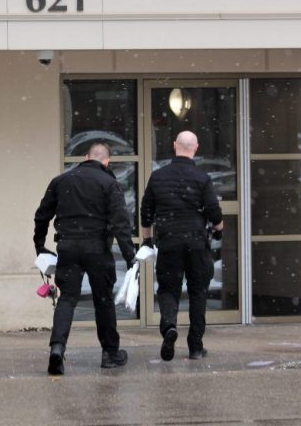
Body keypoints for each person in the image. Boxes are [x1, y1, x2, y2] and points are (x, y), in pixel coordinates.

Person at [34, 142, 136, 375]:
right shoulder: (109, 183)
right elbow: (121, 223)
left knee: (67, 298)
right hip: (97, 248)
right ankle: (110, 354)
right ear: (106, 161)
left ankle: (57, 349)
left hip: (68, 246)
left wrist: (40, 246)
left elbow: (41, 216)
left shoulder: (61, 181)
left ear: (86, 157)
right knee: (103, 300)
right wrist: (130, 256)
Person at [140, 130, 224, 361]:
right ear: (195, 148)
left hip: (168, 242)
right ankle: (195, 346)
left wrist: (147, 239)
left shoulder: (158, 177)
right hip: (197, 243)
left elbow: (146, 211)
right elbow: (214, 212)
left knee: (168, 289)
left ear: (174, 145)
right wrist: (219, 228)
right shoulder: (202, 178)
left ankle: (169, 327)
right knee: (198, 293)